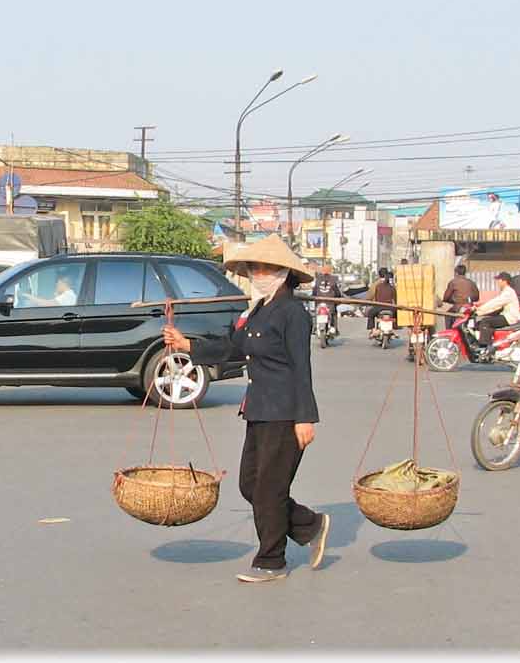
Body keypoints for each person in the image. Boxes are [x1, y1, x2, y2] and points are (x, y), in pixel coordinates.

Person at [160, 235, 330, 584]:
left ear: (284, 272)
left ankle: (272, 560)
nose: (259, 273)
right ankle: (309, 524)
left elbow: (302, 367)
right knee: (250, 485)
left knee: (269, 488)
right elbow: (232, 349)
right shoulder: (258, 311)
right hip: (258, 409)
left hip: (285, 412)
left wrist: (305, 418)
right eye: (254, 267)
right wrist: (187, 344)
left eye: (266, 267)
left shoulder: (292, 313)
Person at [472, 272, 520, 354]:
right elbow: (495, 307)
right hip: (505, 316)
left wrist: (479, 310)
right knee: (479, 323)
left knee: (485, 322)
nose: (497, 282)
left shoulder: (508, 292)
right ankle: (489, 342)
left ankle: (485, 347)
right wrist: (480, 311)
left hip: (508, 318)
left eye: (499, 280)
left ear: (504, 281)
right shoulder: (505, 291)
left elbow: (495, 303)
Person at [310, 263, 343, 335]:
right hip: (330, 303)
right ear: (330, 271)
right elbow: (337, 292)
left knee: (316, 314)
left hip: (319, 302)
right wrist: (339, 298)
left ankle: (315, 328)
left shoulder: (318, 279)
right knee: (334, 313)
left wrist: (313, 297)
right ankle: (334, 327)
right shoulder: (334, 279)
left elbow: (314, 291)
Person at [366, 267, 397, 336]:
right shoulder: (392, 286)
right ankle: (394, 327)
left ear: (379, 275)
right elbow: (395, 299)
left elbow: (370, 297)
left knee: (370, 313)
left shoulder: (376, 285)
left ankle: (373, 330)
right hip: (390, 307)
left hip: (378, 306)